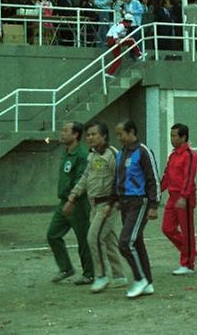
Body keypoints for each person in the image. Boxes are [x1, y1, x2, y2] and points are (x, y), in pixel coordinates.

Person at [63, 121, 126, 293]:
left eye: (94, 134)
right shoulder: (92, 156)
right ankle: (119, 276)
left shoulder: (112, 155)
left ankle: (102, 276)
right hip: (94, 205)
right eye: (88, 135)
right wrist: (72, 197)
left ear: (104, 135)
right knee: (109, 240)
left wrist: (114, 203)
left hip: (108, 205)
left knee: (93, 237)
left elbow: (120, 180)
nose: (90, 138)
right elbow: (84, 178)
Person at [114, 120, 160, 298]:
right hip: (125, 203)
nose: (118, 137)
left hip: (138, 203)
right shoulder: (122, 153)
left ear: (131, 131)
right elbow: (118, 178)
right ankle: (147, 282)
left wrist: (153, 205)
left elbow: (153, 179)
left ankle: (139, 278)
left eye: (121, 134)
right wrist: (116, 199)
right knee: (136, 242)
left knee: (125, 242)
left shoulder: (143, 151)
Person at [47, 122, 93, 285]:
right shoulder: (67, 152)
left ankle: (89, 273)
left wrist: (72, 200)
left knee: (83, 239)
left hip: (77, 203)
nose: (62, 133)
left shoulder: (82, 154)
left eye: (66, 131)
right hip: (64, 202)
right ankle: (66, 268)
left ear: (76, 135)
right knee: (52, 234)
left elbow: (81, 179)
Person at [161, 124, 197, 276]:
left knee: (187, 230)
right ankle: (191, 251)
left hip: (185, 197)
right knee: (167, 228)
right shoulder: (173, 155)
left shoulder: (190, 155)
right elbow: (166, 176)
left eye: (175, 136)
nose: (172, 139)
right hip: (172, 196)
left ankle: (188, 263)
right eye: (171, 136)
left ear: (183, 137)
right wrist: (157, 191)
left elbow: (189, 177)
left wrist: (184, 196)